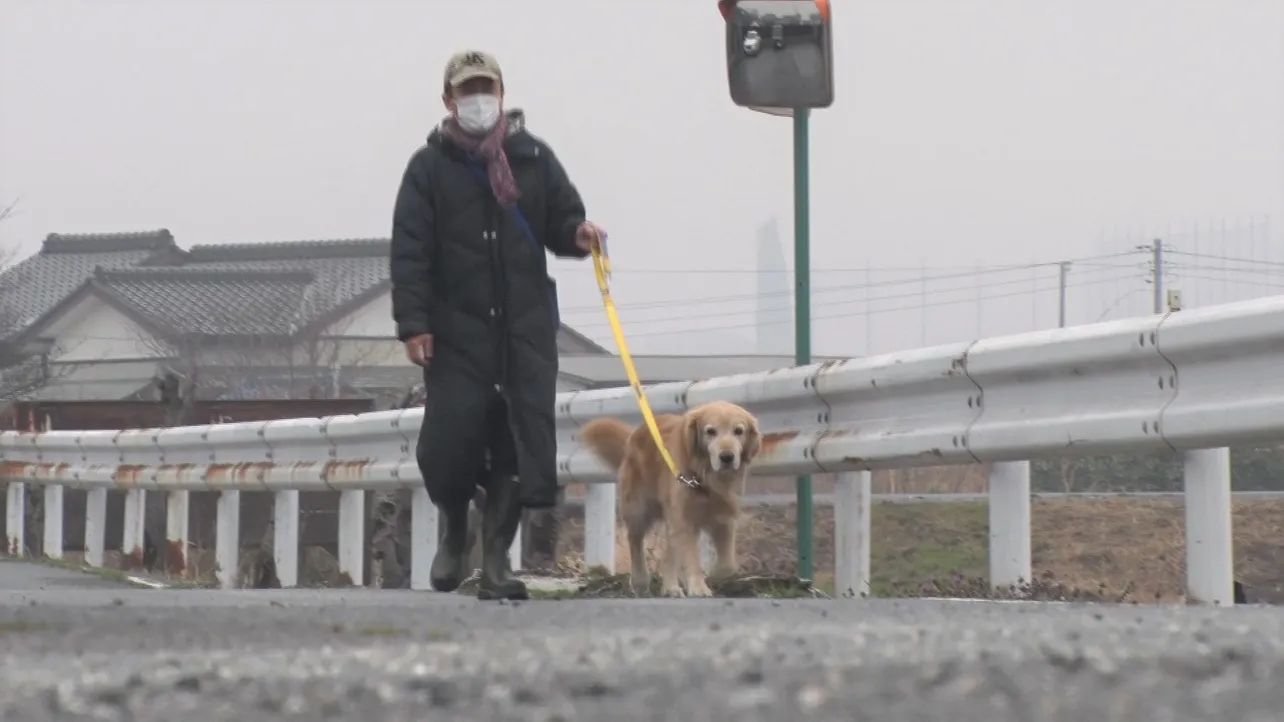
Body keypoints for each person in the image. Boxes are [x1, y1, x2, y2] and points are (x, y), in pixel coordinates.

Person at [389, 50, 605, 600]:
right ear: (448, 100)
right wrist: (414, 323)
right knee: (451, 439)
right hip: (457, 330)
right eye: (467, 90)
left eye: (486, 88)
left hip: (524, 328)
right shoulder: (428, 168)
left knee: (518, 440)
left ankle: (497, 561)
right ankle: (454, 527)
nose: (477, 99)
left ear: (502, 95)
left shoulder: (533, 159)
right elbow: (409, 252)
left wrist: (578, 234)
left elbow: (561, 218)